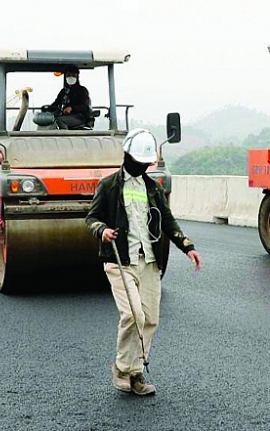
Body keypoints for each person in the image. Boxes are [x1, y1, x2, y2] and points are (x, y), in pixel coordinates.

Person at [86, 128, 202, 396]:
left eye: (145, 163)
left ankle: (136, 374)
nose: (141, 167)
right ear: (126, 156)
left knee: (150, 318)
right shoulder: (109, 186)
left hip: (149, 261)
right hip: (120, 261)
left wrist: (188, 247)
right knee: (133, 314)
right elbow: (91, 219)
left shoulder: (152, 188)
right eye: (138, 162)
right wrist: (102, 230)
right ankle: (123, 368)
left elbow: (168, 221)